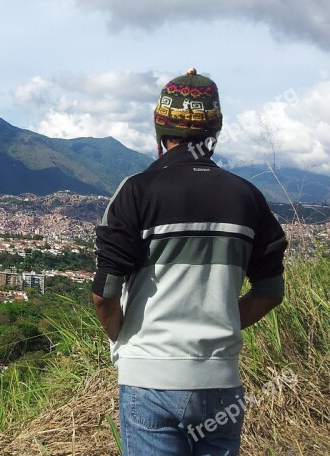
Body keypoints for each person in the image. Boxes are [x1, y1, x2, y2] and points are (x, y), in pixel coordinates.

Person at [91, 68, 287, 455]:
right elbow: (270, 292)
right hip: (219, 381)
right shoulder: (248, 196)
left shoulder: (137, 192)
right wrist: (223, 320)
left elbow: (104, 295)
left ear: (161, 133)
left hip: (149, 377)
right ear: (214, 132)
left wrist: (124, 336)